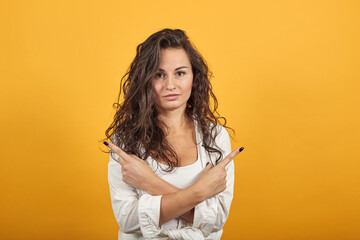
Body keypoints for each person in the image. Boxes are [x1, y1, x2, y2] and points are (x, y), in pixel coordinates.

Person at [102, 28, 244, 240]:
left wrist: (150, 183)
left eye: (180, 73)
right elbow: (128, 220)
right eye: (159, 75)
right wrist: (199, 193)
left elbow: (215, 223)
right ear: (145, 80)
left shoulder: (215, 136)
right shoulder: (125, 140)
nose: (170, 85)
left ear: (194, 77)